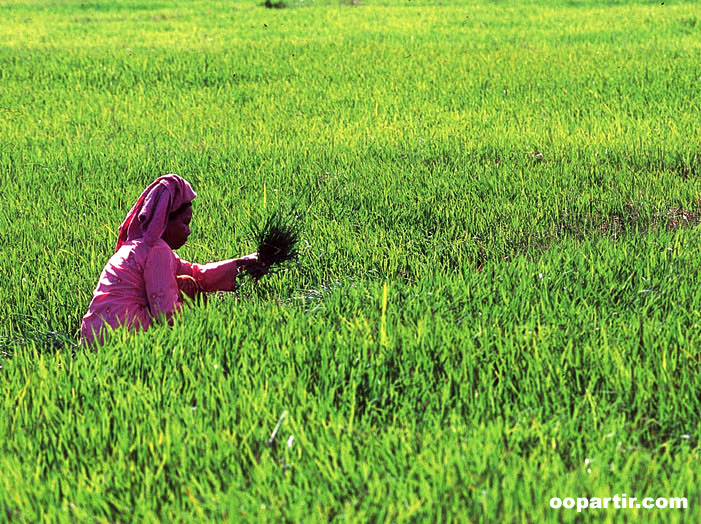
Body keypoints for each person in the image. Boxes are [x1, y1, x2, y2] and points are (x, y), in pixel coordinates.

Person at [80, 174, 266, 346]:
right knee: (187, 295)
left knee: (188, 283)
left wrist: (240, 264)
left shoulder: (137, 247)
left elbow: (196, 274)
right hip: (124, 333)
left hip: (93, 334)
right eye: (185, 223)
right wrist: (201, 323)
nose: (188, 231)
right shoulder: (157, 250)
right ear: (164, 221)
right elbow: (165, 312)